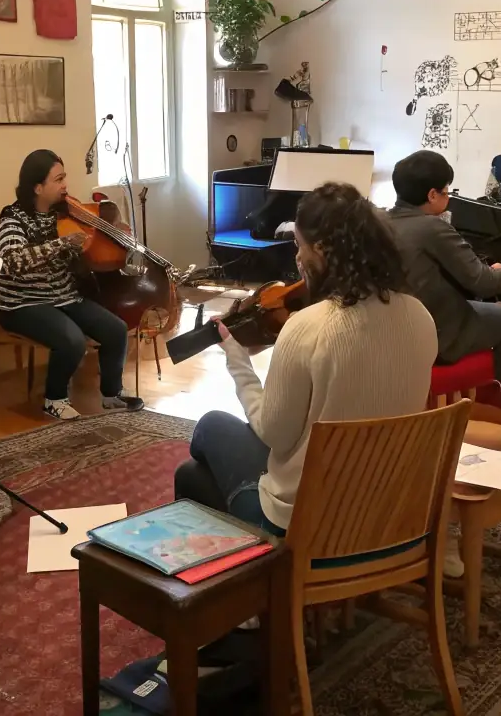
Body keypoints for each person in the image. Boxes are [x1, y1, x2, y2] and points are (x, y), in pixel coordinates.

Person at [172, 182, 438, 534]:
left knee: (210, 428)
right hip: (389, 514)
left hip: (312, 526)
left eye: (299, 245)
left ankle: (248, 575)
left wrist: (237, 359)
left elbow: (273, 434)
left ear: (323, 251)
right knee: (191, 475)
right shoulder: (421, 316)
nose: (297, 258)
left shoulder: (307, 326)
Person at [0, 150, 143, 420]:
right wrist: (62, 244)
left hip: (63, 297)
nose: (65, 185)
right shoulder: (12, 217)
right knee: (72, 340)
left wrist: (109, 244)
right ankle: (54, 398)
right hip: (21, 304)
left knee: (115, 330)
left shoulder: (66, 213)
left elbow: (85, 251)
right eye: (58, 179)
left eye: (64, 177)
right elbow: (12, 262)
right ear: (38, 187)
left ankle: (111, 394)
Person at [387, 150, 501, 412]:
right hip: (436, 335)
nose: (448, 197)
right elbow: (481, 282)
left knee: (488, 311)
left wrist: (489, 272)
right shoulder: (431, 227)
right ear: (431, 195)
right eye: (445, 191)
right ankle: (497, 408)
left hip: (395, 331)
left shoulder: (381, 221)